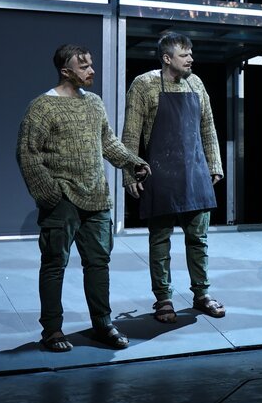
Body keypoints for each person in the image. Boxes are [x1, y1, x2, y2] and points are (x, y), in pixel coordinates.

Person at [17, 45, 151, 353]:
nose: (91, 70)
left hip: (96, 196)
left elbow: (108, 142)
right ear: (66, 71)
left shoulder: (94, 102)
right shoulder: (42, 107)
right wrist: (50, 193)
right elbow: (27, 153)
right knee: (54, 263)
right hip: (62, 199)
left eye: (91, 64)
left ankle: (103, 324)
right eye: (84, 66)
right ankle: (52, 330)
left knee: (98, 263)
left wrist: (132, 162)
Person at [123, 32, 226, 323]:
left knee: (199, 239)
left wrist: (214, 163)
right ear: (167, 58)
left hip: (195, 172)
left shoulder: (196, 83)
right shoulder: (144, 84)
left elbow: (207, 126)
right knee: (160, 241)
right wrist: (129, 172)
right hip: (161, 174)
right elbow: (130, 132)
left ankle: (202, 294)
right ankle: (163, 299)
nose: (191, 58)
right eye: (184, 54)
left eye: (191, 53)